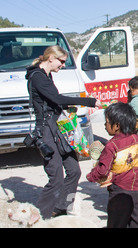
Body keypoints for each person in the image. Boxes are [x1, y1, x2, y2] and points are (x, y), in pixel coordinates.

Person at [25, 45, 100, 219]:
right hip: (46, 131)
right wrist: (88, 101)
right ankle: (39, 217)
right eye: (61, 61)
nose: (63, 65)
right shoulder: (37, 77)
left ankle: (61, 208)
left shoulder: (46, 75)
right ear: (51, 58)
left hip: (57, 129)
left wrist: (69, 106)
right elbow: (57, 99)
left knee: (74, 171)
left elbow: (53, 102)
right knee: (56, 177)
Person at [86, 102, 138, 228]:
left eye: (107, 122)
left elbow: (102, 171)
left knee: (117, 223)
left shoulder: (112, 145)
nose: (105, 125)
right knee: (136, 221)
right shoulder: (137, 139)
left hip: (120, 191)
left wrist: (91, 176)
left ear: (117, 125)